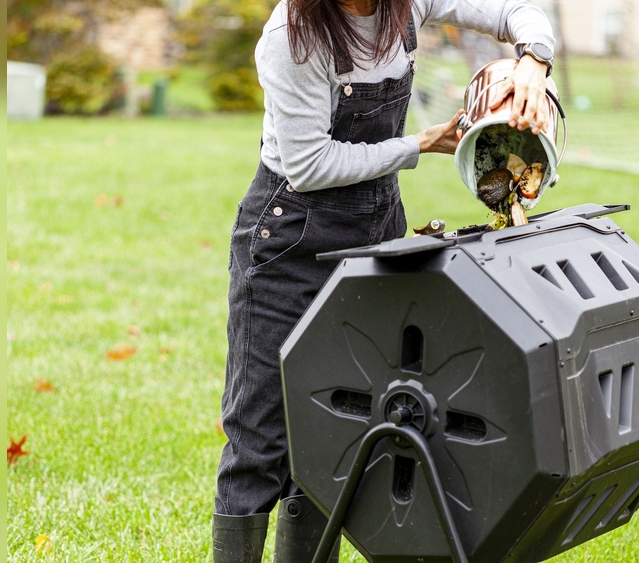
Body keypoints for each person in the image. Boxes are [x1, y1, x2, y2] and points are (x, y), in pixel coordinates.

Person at [212, 0, 556, 561]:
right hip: (289, 243)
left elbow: (517, 10)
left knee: (334, 431)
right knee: (261, 439)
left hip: (375, 234)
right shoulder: (289, 36)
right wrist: (417, 144)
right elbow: (309, 164)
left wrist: (533, 63)